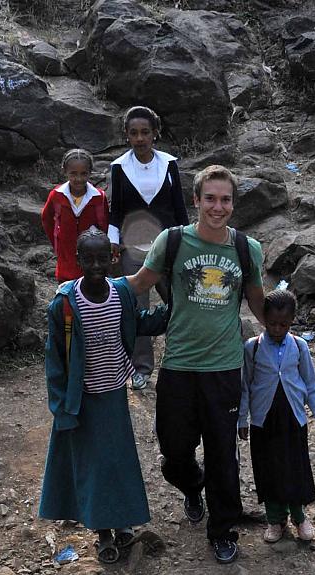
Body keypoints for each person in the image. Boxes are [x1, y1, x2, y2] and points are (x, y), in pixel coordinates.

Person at [126, 165, 265, 565]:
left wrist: (281, 334)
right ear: (196, 200)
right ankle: (192, 486)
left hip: (223, 369)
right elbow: (139, 283)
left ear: (233, 203)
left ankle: (222, 529)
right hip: (179, 367)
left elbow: (256, 299)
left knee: (224, 454)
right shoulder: (171, 242)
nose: (217, 207)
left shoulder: (246, 249)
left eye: (225, 199)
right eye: (210, 198)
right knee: (174, 453)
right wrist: (88, 296)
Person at [39, 227, 167, 564]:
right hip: (83, 398)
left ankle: (123, 522)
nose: (96, 264)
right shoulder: (65, 303)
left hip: (114, 393)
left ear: (113, 259)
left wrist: (173, 308)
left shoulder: (120, 293)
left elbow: (138, 323)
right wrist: (61, 407)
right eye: (88, 258)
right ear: (78, 260)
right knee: (93, 464)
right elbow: (55, 359)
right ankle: (103, 531)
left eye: (102, 258)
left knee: (119, 460)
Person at [238, 289, 315, 544]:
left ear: (292, 322)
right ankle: (275, 519)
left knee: (295, 468)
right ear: (263, 320)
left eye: (284, 324)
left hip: (293, 419)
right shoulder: (252, 348)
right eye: (272, 324)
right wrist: (242, 419)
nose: (278, 329)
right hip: (263, 420)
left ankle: (300, 517)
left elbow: (311, 384)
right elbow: (245, 386)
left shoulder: (299, 347)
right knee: (267, 469)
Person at [108, 106, 189, 392]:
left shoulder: (169, 164)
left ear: (155, 133)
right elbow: (115, 209)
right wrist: (113, 240)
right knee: (137, 308)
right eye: (133, 133)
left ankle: (181, 361)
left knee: (178, 302)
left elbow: (179, 207)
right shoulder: (119, 168)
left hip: (169, 243)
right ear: (127, 136)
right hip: (133, 247)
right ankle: (140, 369)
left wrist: (187, 239)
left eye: (145, 132)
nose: (140, 138)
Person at [41, 148, 110, 283]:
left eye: (83, 174)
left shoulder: (98, 198)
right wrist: (58, 243)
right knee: (67, 294)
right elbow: (47, 219)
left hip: (91, 261)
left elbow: (105, 225)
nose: (78, 179)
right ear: (64, 171)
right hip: (65, 258)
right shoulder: (56, 196)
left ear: (90, 173)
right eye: (73, 174)